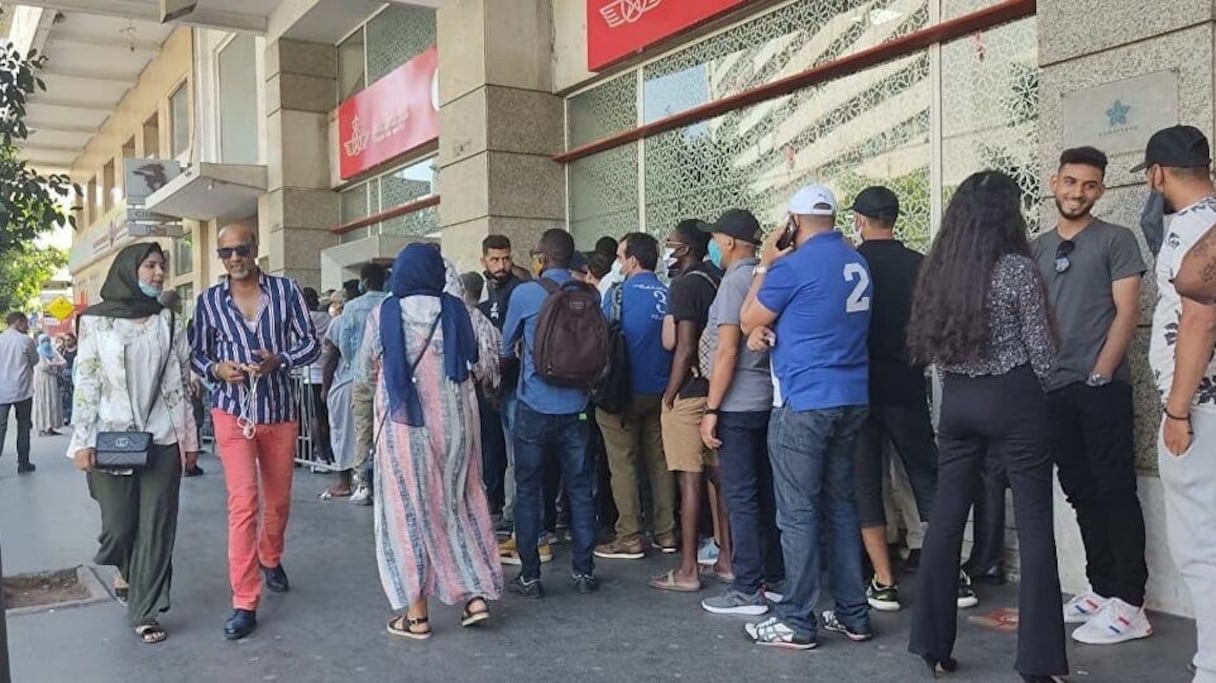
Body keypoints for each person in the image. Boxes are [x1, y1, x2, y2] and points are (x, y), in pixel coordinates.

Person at [906, 170, 1066, 682]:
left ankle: (932, 646)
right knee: (1037, 527)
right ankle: (1038, 663)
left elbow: (934, 348)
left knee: (947, 521)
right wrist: (1032, 394)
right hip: (1014, 396)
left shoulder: (941, 269)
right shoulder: (1019, 269)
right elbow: (1043, 354)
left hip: (958, 402)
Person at [738, 184, 873, 649]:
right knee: (841, 505)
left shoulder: (791, 266)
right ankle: (854, 613)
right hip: (852, 396)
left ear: (792, 223)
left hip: (805, 401)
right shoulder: (857, 262)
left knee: (797, 513)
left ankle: (796, 619)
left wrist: (765, 263)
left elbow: (747, 317)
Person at [1030, 146, 1151, 644]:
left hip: (1100, 387)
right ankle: (1101, 590)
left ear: (1101, 190)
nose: (1078, 192)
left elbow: (1127, 313)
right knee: (1080, 491)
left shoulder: (1117, 240)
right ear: (1054, 182)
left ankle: (1131, 602)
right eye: (1071, 182)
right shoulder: (1035, 247)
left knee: (1114, 489)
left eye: (1090, 185)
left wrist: (1101, 373)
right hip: (1052, 388)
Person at [355, 244, 501, 639]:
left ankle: (416, 614)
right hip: (457, 428)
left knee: (408, 514)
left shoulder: (382, 314)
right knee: (461, 504)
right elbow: (485, 360)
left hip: (405, 431)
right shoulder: (459, 312)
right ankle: (474, 597)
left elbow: (365, 375)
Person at [191, 222, 320, 640]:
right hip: (232, 412)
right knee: (243, 502)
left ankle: (271, 554)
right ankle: (245, 600)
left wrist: (278, 360)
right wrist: (216, 369)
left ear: (256, 248)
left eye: (240, 250)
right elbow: (197, 354)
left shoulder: (286, 292)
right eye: (225, 253)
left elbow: (312, 345)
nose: (234, 259)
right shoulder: (209, 301)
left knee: (279, 500)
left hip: (279, 411)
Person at [68, 242, 199, 644]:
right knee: (119, 527)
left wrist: (188, 438)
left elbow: (179, 381)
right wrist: (81, 440)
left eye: (162, 266)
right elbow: (87, 380)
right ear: (129, 269)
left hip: (162, 437)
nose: (159, 273)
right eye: (150, 266)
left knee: (157, 526)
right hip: (111, 436)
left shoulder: (169, 320)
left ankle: (146, 609)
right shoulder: (94, 321)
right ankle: (126, 566)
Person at [1138, 125, 1216, 683]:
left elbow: (1201, 316)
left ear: (1156, 174)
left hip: (1203, 412)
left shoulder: (1190, 230)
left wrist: (1179, 411)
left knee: (1201, 548)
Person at [847, 186, 940, 612]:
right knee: (925, 478)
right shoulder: (920, 264)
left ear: (860, 221)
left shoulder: (850, 264)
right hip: (906, 386)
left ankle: (883, 582)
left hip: (859, 388)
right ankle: (949, 575)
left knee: (867, 483)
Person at [500, 228, 600, 598]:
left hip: (534, 407)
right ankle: (584, 572)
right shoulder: (588, 295)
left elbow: (506, 346)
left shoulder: (525, 293)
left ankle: (530, 576)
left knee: (529, 491)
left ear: (542, 258)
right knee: (579, 489)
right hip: (577, 407)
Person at [697, 209, 785, 616]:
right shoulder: (765, 275)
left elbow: (728, 350)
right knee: (765, 494)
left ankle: (748, 588)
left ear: (729, 242)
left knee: (742, 496)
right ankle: (774, 577)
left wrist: (712, 408)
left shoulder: (735, 282)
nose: (712, 245)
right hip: (765, 401)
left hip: (737, 404)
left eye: (715, 238)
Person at [652, 219, 731, 592]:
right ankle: (727, 560)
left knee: (689, 480)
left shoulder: (683, 286)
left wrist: (670, 393)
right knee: (720, 479)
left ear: (684, 249)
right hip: (719, 390)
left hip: (690, 392)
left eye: (670, 243)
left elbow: (683, 347)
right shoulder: (719, 278)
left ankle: (687, 570)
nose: (666, 249)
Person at [594, 232, 677, 562]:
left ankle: (629, 535)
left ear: (632, 260)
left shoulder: (617, 295)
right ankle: (666, 531)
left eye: (620, 256)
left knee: (623, 463)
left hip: (622, 393)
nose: (617, 262)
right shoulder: (669, 293)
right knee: (659, 462)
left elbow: (602, 338)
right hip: (663, 391)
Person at [325, 263, 390, 505]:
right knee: (387, 431)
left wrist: (357, 365)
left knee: (362, 431)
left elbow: (344, 344)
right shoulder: (391, 303)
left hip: (359, 378)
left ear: (363, 281)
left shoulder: (351, 307)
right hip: (386, 377)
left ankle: (363, 484)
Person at [478, 235, 524, 533]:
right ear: (484, 260)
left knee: (515, 454)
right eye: (495, 259)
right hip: (493, 385)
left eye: (505, 258)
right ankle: (497, 503)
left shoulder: (518, 291)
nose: (501, 265)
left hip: (515, 384)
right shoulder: (488, 296)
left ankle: (513, 512)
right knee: (494, 449)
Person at [0, 311, 38, 474]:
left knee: (1, 427)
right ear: (18, 322)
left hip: (2, 390)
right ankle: (23, 462)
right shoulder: (25, 341)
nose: (27, 326)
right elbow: (35, 360)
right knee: (23, 426)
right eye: (25, 323)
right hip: (22, 390)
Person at [302, 287, 333, 468]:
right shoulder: (329, 319)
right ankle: (329, 452)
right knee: (327, 417)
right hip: (329, 373)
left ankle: (321, 456)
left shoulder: (303, 322)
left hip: (310, 374)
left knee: (314, 417)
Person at [32, 333, 66, 436]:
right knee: (42, 402)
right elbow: (43, 366)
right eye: (43, 341)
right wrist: (55, 366)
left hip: (52, 381)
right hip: (41, 381)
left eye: (47, 340)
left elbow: (63, 362)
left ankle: (51, 426)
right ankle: (42, 427)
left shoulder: (53, 351)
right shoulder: (37, 352)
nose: (46, 343)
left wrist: (54, 365)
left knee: (53, 402)